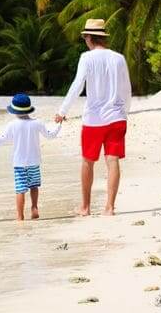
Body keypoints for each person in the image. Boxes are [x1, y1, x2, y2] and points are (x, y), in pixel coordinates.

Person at [54, 19, 132, 216]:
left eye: (84, 37)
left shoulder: (86, 58)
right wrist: (125, 112)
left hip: (94, 120)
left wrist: (63, 111)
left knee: (88, 161)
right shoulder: (119, 58)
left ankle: (86, 207)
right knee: (112, 160)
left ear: (89, 38)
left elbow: (77, 85)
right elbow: (126, 89)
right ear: (103, 37)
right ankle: (110, 207)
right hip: (116, 118)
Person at [0, 93, 61, 221]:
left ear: (14, 110)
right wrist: (59, 124)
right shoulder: (37, 123)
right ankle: (34, 207)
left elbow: (0, 141)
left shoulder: (12, 125)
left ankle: (20, 216)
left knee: (20, 190)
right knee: (34, 186)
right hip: (34, 162)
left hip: (19, 163)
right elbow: (50, 135)